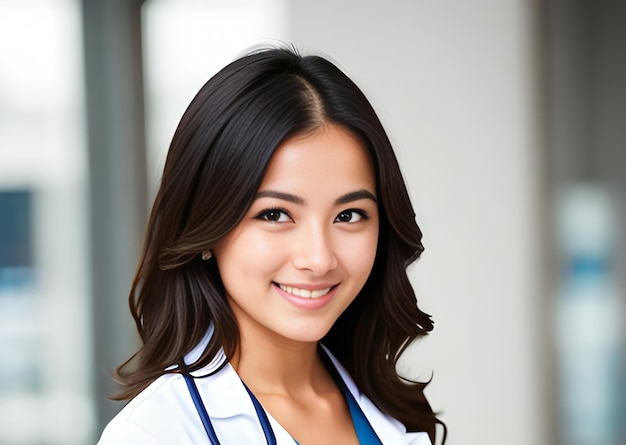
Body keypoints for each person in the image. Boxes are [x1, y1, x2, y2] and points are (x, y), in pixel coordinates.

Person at [98, 46, 446, 445]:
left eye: (348, 215)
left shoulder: (386, 405)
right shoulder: (152, 434)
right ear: (207, 227)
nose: (318, 258)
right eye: (275, 214)